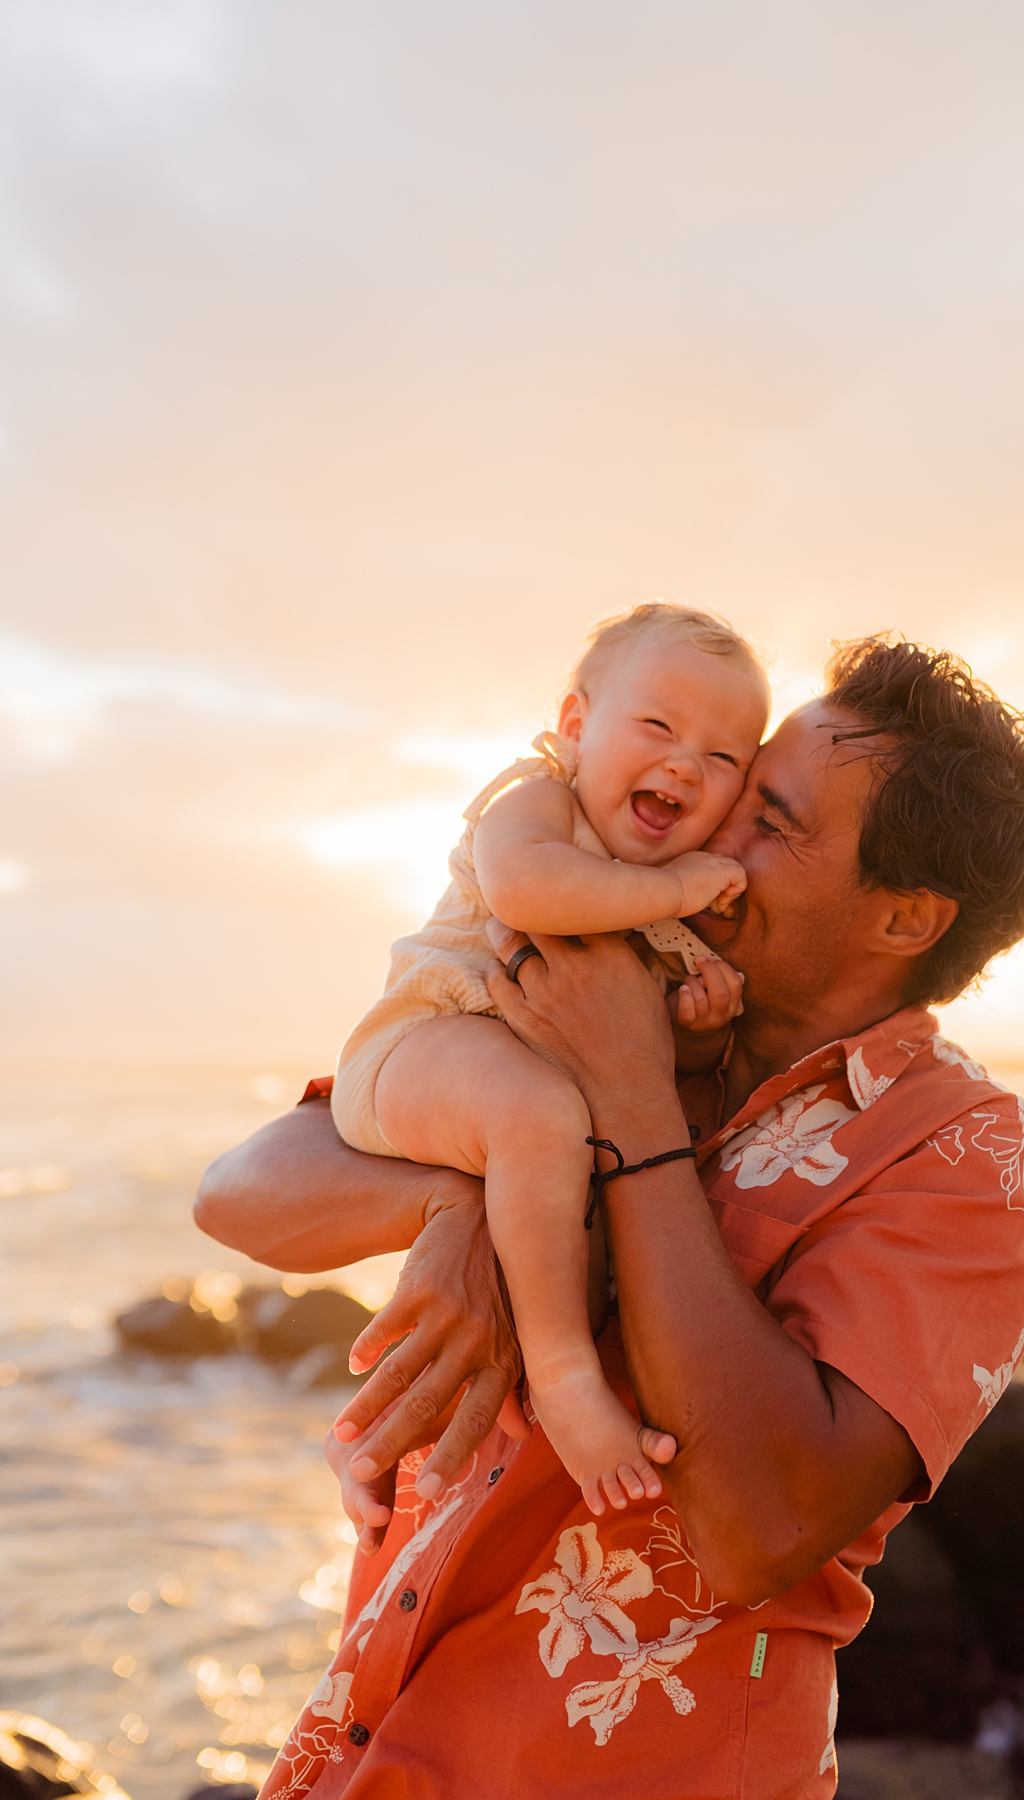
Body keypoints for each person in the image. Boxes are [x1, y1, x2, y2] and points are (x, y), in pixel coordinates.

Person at [196, 635, 1024, 1798]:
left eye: (772, 821)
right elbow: (243, 1195)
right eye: (735, 790)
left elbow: (762, 1523)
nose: (715, 831)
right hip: (368, 1749)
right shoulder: (613, 986)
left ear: (907, 919)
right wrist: (461, 1200)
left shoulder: (969, 1160)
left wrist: (621, 1093)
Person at [328, 604, 770, 1514]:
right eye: (657, 725)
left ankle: (371, 1446)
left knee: (548, 1213)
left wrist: (694, 1022)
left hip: (521, 1097)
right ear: (575, 727)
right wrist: (674, 887)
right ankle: (566, 1381)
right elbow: (525, 890)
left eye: (725, 758)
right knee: (538, 1116)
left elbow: (636, 1059)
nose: (686, 762)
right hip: (421, 1042)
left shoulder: (660, 903)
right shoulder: (540, 801)